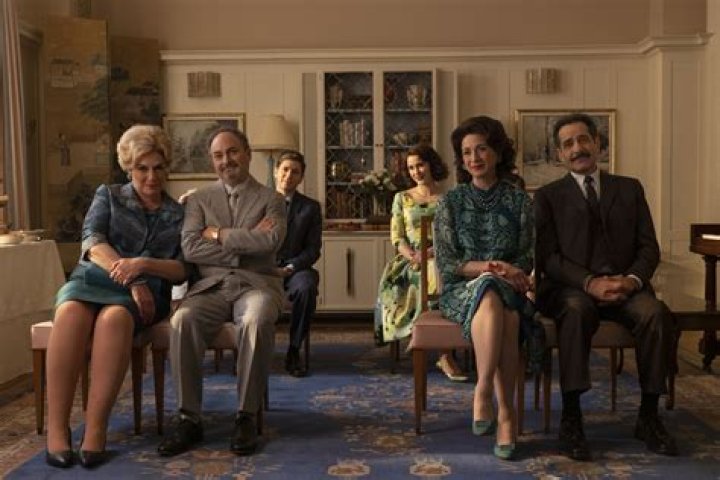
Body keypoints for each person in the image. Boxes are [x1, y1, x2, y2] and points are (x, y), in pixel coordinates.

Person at [534, 113, 677, 460]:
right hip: (571, 289)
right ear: (559, 154)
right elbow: (548, 257)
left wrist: (631, 280)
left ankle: (648, 416)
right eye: (568, 144)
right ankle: (572, 418)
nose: (577, 149)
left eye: (583, 139)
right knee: (575, 310)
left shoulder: (630, 188)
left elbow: (649, 247)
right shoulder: (548, 196)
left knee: (655, 313)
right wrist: (589, 282)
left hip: (625, 287)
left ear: (598, 143)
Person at [45, 125, 186, 469]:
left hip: (147, 296)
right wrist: (131, 279)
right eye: (142, 168)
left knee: (115, 319)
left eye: (158, 167)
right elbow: (92, 242)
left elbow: (183, 269)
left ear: (167, 167)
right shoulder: (109, 195)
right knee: (70, 312)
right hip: (95, 279)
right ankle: (57, 429)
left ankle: (96, 429)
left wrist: (144, 266)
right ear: (128, 168)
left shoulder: (179, 214)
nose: (151, 177)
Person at [158, 127, 286, 458]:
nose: (225, 160)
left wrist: (217, 234)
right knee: (182, 320)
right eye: (218, 155)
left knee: (256, 319)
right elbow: (190, 247)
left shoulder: (272, 199)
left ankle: (246, 416)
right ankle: (189, 419)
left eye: (232, 152)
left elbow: (271, 241)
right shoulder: (198, 200)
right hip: (210, 287)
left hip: (257, 285)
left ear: (248, 154)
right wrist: (245, 243)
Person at [434, 116, 534, 461]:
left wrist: (506, 271)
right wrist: (494, 267)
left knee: (503, 308)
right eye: (466, 152)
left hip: (508, 288)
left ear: (497, 153)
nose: (473, 158)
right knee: (496, 301)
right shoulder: (451, 202)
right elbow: (448, 263)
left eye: (481, 149)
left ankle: (485, 391)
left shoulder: (519, 201)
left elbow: (526, 256)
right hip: (461, 290)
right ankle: (505, 412)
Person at [373, 144, 466, 381]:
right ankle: (432, 343)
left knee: (440, 274)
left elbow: (455, 236)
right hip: (410, 261)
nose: (416, 172)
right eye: (411, 168)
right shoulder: (401, 198)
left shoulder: (449, 198)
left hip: (442, 258)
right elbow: (397, 237)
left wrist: (433, 253)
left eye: (420, 165)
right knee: (429, 275)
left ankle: (442, 351)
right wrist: (413, 256)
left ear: (431, 165)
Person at [273, 150, 322, 377]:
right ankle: (248, 351)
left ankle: (294, 350)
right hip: (264, 269)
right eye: (285, 170)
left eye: (295, 172)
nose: (288, 176)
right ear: (276, 172)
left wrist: (291, 267)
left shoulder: (311, 208)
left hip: (295, 269)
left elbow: (313, 249)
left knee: (306, 287)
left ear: (301, 177)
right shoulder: (258, 201)